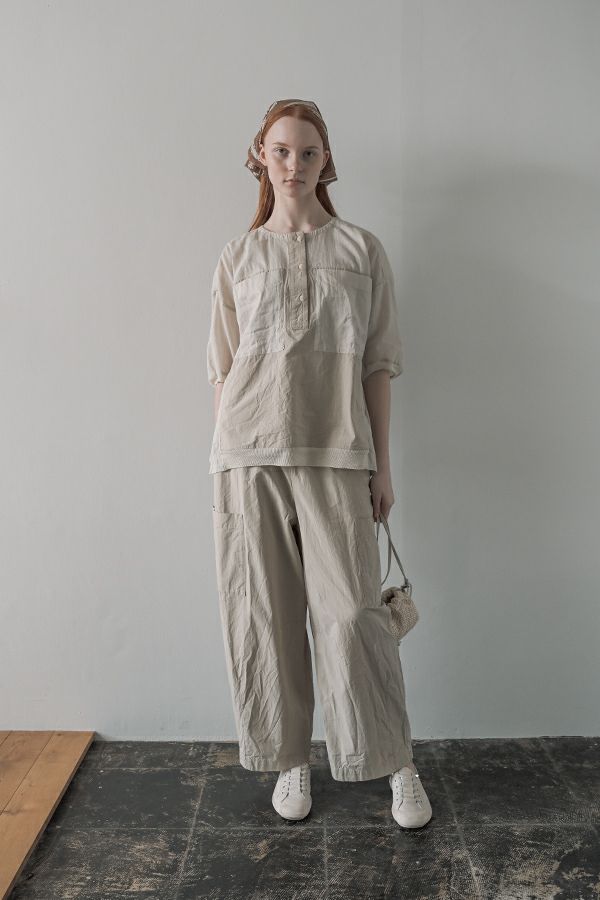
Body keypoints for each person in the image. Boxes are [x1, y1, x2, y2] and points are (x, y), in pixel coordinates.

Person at [207, 99, 432, 829]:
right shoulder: (238, 258)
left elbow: (377, 365)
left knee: (354, 618)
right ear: (260, 157)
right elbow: (223, 373)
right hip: (249, 458)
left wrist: (381, 467)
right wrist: (226, 464)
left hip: (338, 454)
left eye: (308, 152)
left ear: (325, 160)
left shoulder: (361, 251)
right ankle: (291, 759)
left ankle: (395, 761)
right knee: (264, 616)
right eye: (281, 151)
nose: (294, 165)